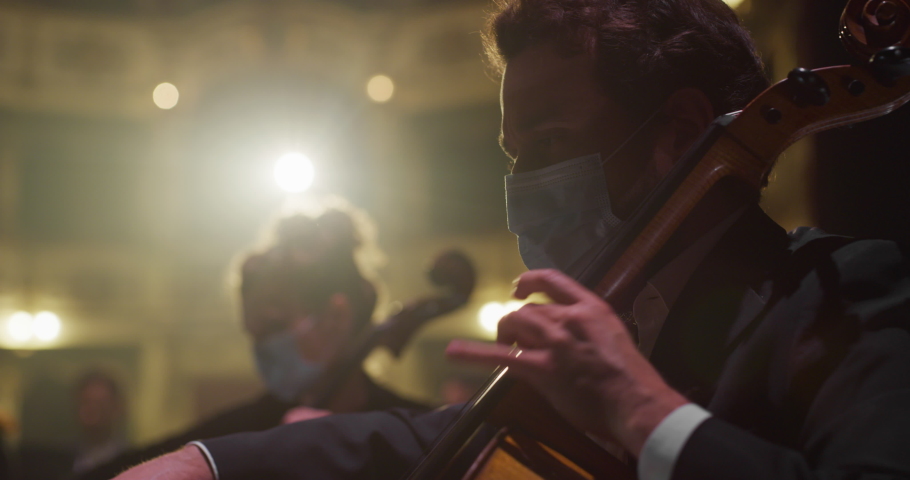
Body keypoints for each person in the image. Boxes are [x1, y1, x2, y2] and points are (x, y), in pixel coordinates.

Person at [114, 0, 910, 479]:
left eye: (550, 142)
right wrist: (208, 463)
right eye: (514, 154)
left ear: (681, 131)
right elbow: (425, 440)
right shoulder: (621, 315)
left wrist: (642, 410)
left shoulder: (844, 293)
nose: (524, 179)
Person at [78, 207, 427, 480]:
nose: (263, 349)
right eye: (254, 335)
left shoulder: (418, 435)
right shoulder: (242, 428)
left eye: (274, 328)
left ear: (335, 318)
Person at [71, 370, 131, 475]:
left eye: (101, 404)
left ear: (117, 408)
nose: (92, 409)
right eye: (86, 402)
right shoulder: (59, 461)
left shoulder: (132, 460)